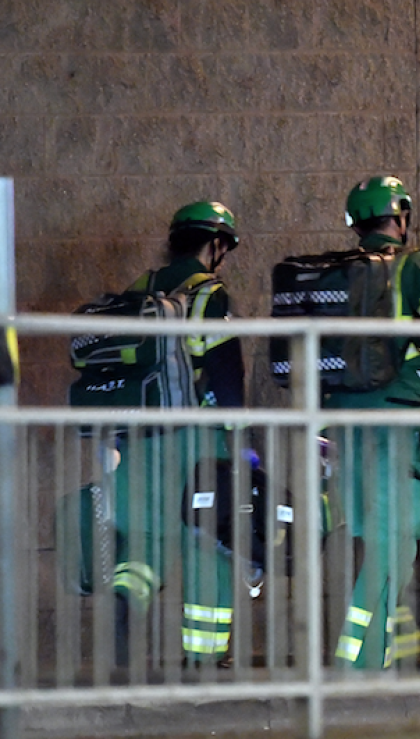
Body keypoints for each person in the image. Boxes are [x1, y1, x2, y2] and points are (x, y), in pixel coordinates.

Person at [326, 175, 420, 668]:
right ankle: (355, 661)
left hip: (341, 420)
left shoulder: (337, 272)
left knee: (387, 540)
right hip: (394, 417)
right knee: (393, 542)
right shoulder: (412, 264)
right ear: (400, 216)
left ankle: (384, 655)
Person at [110, 201, 246, 665]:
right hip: (195, 439)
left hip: (137, 435)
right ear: (216, 244)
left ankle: (126, 591)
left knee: (148, 537)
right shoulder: (210, 294)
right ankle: (204, 657)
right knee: (207, 545)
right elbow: (226, 374)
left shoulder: (139, 289)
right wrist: (237, 440)